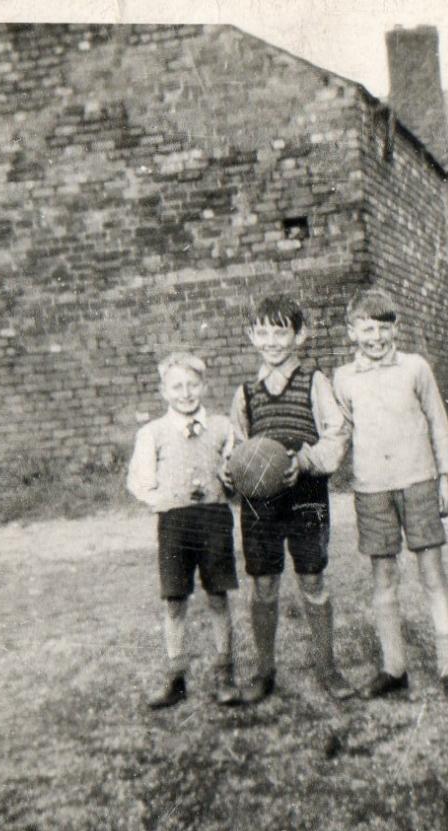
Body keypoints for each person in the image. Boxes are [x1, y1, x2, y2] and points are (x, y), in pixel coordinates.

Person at [332, 286, 448, 703]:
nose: (376, 338)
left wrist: (446, 476)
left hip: (418, 482)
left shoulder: (415, 368)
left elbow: (437, 422)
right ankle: (394, 667)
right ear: (352, 332)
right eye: (367, 329)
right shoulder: (343, 378)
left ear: (397, 329)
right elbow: (339, 434)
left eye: (385, 329)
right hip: (372, 488)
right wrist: (308, 462)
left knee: (432, 574)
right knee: (383, 579)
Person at [227, 294, 354, 704]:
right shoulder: (245, 393)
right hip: (260, 503)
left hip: (306, 494)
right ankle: (264, 671)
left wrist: (308, 459)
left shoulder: (315, 381)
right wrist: (232, 471)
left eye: (280, 332)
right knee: (264, 583)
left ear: (300, 335)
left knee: (313, 579)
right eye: (262, 332)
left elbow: (336, 433)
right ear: (251, 336)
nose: (271, 341)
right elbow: (235, 448)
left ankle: (327, 667)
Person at [126, 351, 240, 708]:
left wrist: (229, 479)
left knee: (218, 596)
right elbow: (139, 481)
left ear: (203, 386)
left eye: (192, 385)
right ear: (164, 391)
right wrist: (164, 497)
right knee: (175, 600)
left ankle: (225, 674)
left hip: (214, 519)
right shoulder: (153, 433)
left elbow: (237, 472)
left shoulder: (223, 427)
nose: (186, 393)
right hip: (175, 523)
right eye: (177, 386)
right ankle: (175, 678)